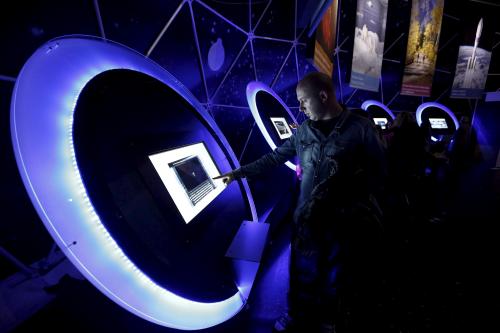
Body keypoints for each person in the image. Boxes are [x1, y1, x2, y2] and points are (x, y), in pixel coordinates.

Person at [214, 72, 386, 332]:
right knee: (299, 272)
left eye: (303, 101)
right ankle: (295, 314)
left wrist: (354, 194)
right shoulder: (304, 131)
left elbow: (381, 172)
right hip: (306, 221)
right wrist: (237, 173)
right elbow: (274, 157)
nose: (300, 107)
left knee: (335, 275)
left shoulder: (360, 129)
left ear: (323, 96)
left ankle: (327, 319)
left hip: (341, 222)